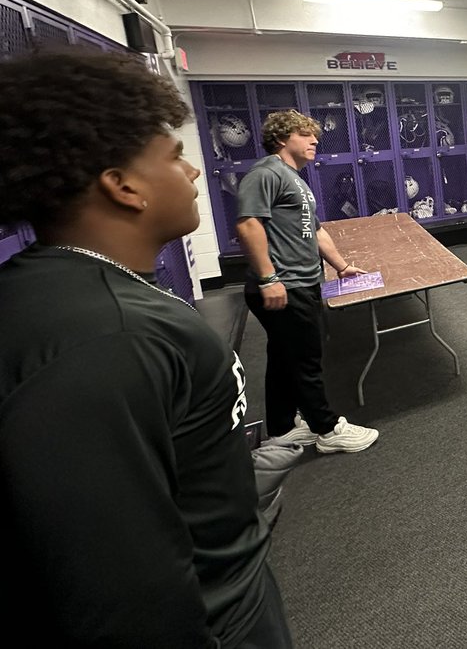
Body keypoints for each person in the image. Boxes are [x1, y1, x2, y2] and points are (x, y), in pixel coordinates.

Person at [0, 50, 292, 647]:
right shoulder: (109, 337)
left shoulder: (74, 292)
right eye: (175, 156)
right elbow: (123, 590)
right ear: (124, 185)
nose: (190, 174)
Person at [236, 110, 379, 452]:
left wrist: (341, 266)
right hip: (285, 285)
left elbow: (314, 230)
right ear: (283, 139)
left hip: (299, 282)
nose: (315, 140)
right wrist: (269, 278)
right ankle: (328, 431)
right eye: (305, 134)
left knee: (285, 357)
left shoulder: (294, 178)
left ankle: (283, 427)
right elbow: (248, 225)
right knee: (306, 359)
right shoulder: (266, 173)